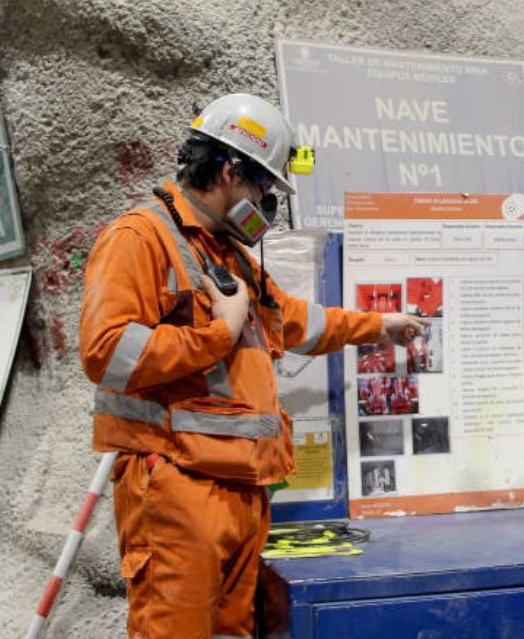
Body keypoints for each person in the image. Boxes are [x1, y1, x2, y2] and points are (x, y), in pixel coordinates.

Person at [79, 93, 429, 639]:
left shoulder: (229, 254)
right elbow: (106, 354)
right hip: (179, 486)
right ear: (227, 171)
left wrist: (378, 327)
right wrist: (217, 332)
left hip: (242, 489)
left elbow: (292, 321)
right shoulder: (139, 238)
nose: (266, 202)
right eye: (263, 187)